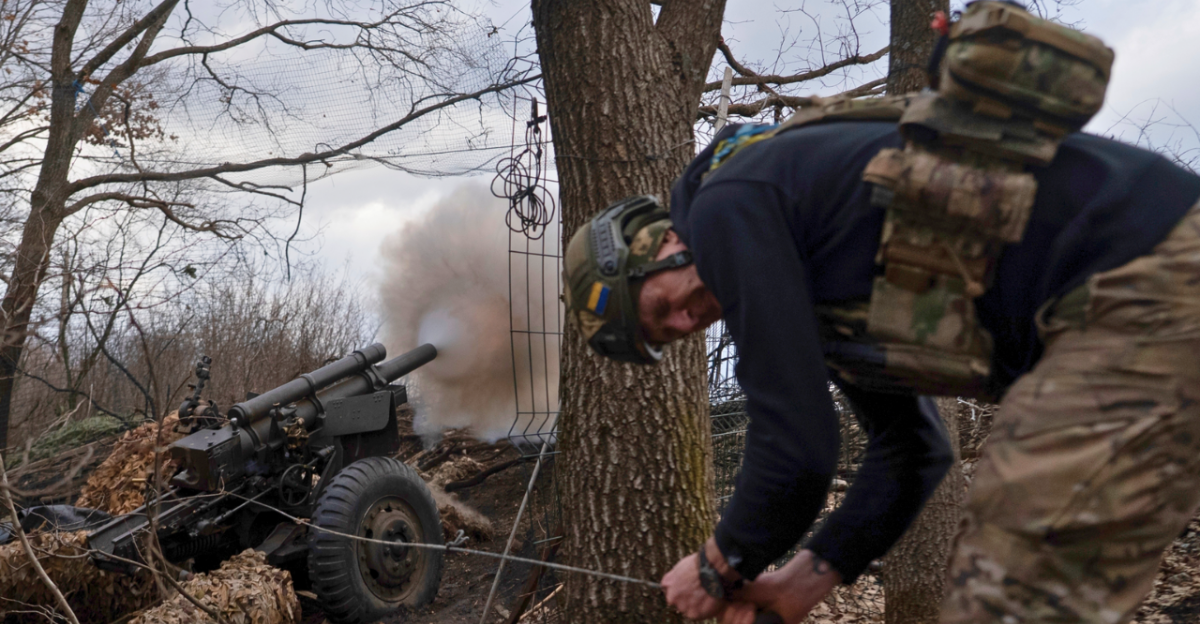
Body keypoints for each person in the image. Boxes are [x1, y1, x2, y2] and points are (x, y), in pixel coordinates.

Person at [561, 9, 1200, 620]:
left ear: (657, 245)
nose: (682, 326)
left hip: (1146, 280)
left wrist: (716, 563)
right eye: (664, 337)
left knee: (1008, 589)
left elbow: (797, 450)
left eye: (657, 310)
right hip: (1145, 292)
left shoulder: (726, 205)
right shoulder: (812, 273)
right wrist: (801, 583)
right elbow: (912, 450)